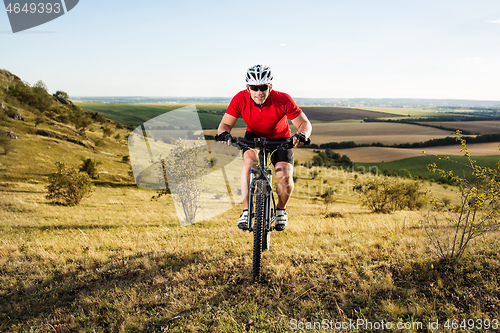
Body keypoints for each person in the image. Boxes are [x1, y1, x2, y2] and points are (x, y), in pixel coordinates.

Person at [216, 64, 312, 231]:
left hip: (280, 139)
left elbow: (304, 123)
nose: (259, 92)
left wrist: (302, 135)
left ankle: (281, 210)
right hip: (253, 138)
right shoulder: (240, 99)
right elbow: (225, 124)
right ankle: (246, 211)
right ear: (248, 88)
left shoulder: (283, 99)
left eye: (263, 87)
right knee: (249, 165)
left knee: (284, 175)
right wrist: (224, 134)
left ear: (270, 86)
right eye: (254, 87)